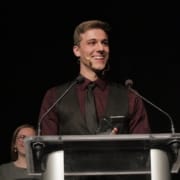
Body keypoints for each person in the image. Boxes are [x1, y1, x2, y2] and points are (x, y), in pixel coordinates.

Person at [38, 20, 151, 179]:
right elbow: (46, 154)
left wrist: (119, 147)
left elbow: (144, 153)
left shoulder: (129, 96)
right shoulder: (55, 97)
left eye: (104, 43)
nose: (101, 48)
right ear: (77, 50)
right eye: (92, 43)